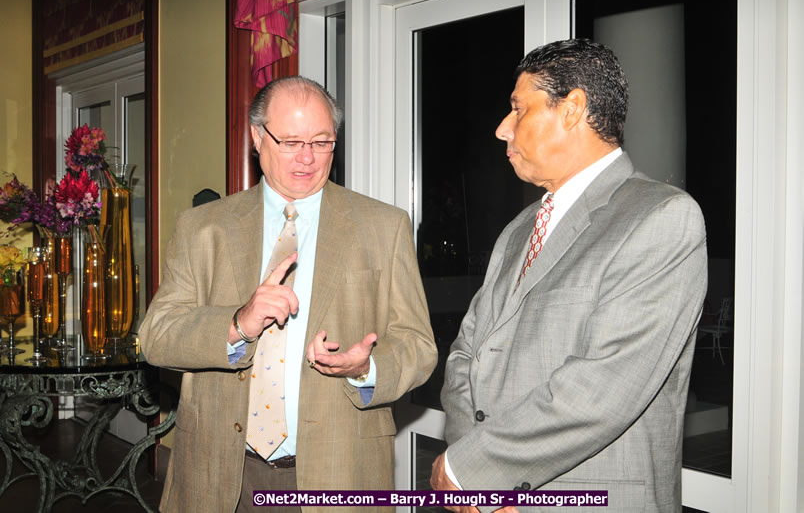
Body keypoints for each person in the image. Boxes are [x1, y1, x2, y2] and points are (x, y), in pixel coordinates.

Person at [430, 38, 708, 512]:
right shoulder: (520, 229)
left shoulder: (661, 217)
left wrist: (474, 467)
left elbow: (603, 387)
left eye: (518, 109)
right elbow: (465, 354)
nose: (502, 129)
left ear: (573, 108)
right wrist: (477, 476)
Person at [139, 76, 437, 513]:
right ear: (257, 138)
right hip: (220, 475)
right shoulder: (203, 228)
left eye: (321, 142)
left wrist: (366, 367)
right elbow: (156, 336)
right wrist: (237, 323)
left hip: (342, 474)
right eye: (291, 141)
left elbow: (418, 346)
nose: (307, 158)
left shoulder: (383, 226)